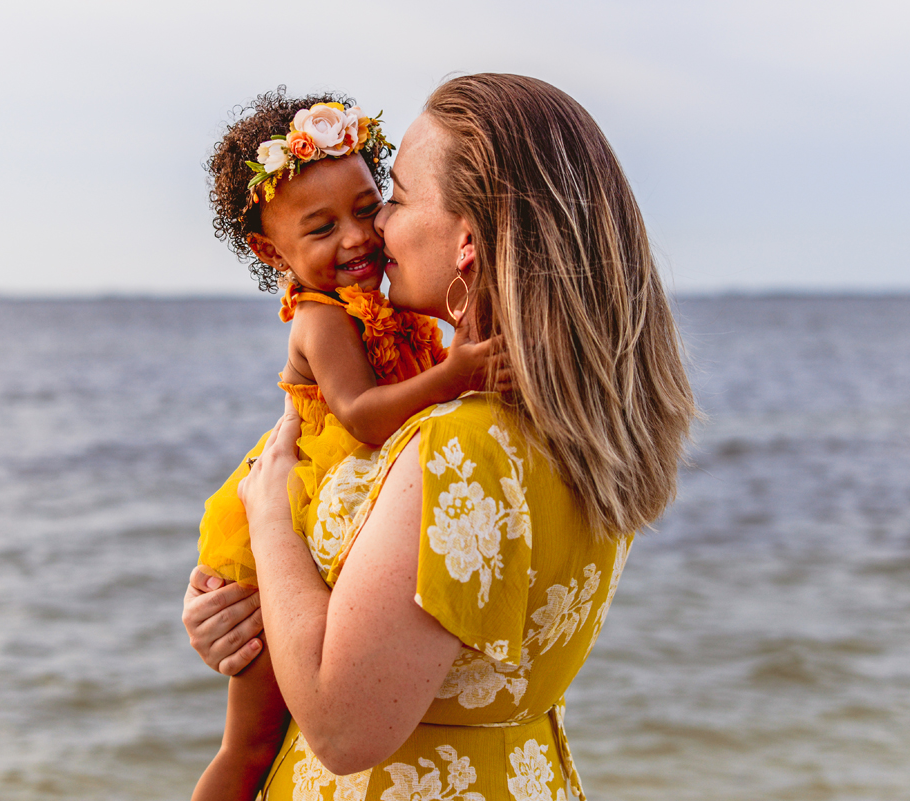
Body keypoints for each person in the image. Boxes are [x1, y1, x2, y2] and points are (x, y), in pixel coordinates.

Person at [184, 73, 697, 801]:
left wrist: (269, 520)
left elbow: (340, 727)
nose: (374, 229)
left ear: (468, 240)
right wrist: (237, 606)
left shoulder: (465, 443)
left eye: (390, 197)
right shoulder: (572, 418)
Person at [192, 88, 503, 801]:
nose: (358, 237)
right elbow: (363, 414)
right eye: (322, 227)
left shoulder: (387, 306)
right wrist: (457, 372)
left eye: (369, 208)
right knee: (250, 744)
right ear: (274, 251)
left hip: (318, 507)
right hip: (284, 517)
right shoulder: (321, 319)